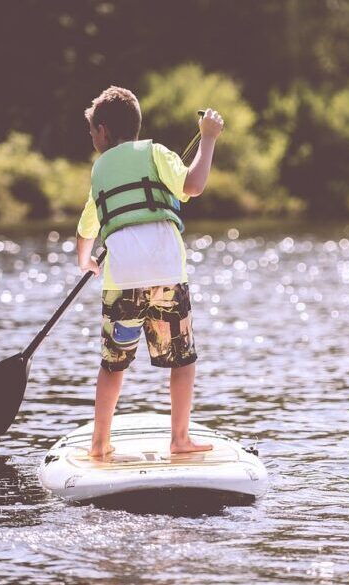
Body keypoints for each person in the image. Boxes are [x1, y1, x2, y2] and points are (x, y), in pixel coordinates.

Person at [75, 85, 223, 459]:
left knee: (113, 365)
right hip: (167, 276)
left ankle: (99, 443)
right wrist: (207, 140)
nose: (92, 137)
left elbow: (87, 228)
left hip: (121, 280)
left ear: (104, 131)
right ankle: (180, 439)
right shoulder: (156, 153)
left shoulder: (99, 170)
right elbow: (194, 184)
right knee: (182, 360)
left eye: (92, 130)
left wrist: (85, 261)